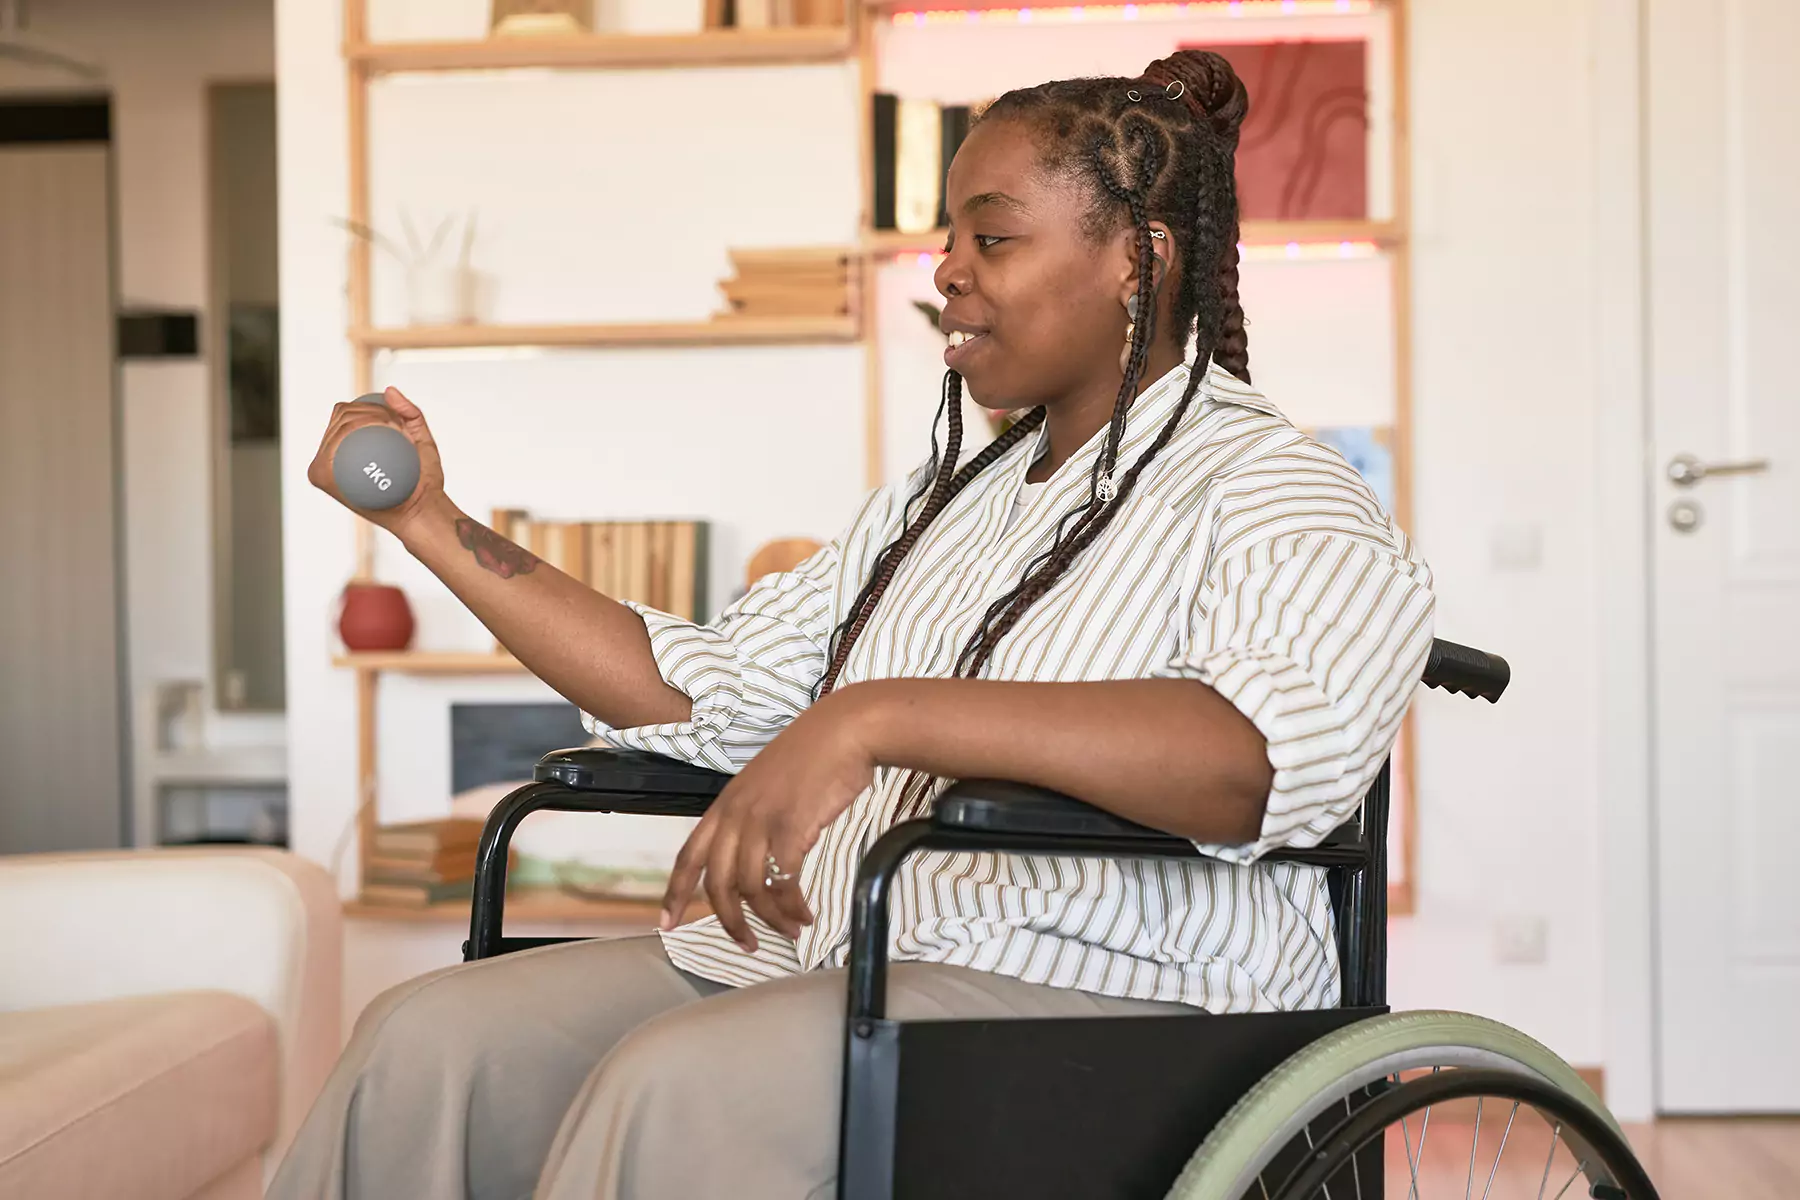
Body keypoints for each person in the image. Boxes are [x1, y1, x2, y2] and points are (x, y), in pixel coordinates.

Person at [273, 49, 1433, 1200]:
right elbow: (704, 691)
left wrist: (877, 719)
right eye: (948, 237)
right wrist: (429, 522)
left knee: (681, 1086)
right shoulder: (941, 505)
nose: (947, 271)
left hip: (1115, 994)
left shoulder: (1276, 486)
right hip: (830, 957)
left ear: (1139, 257)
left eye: (992, 238)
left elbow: (1253, 757)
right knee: (426, 1047)